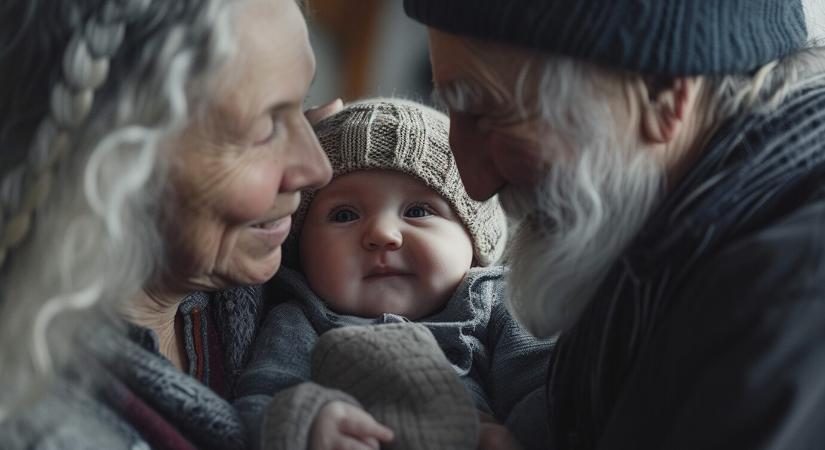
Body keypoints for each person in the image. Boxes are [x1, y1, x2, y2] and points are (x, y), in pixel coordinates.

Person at [403, 0, 825, 449]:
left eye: (490, 113)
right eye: (451, 109)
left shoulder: (793, 295)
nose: (471, 182)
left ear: (662, 93)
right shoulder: (647, 236)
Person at [0, 0, 341, 448]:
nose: (319, 168)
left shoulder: (314, 270)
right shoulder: (37, 421)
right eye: (265, 128)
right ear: (112, 158)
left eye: (302, 105)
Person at [233, 98, 553, 449]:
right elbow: (254, 405)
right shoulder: (299, 321)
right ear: (301, 248)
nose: (383, 234)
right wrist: (307, 421)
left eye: (417, 210)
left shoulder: (499, 306)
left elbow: (550, 392)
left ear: (475, 242)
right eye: (344, 215)